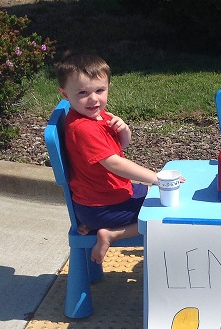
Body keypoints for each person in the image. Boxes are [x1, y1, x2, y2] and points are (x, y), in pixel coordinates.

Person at [55, 53, 161, 264]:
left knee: (156, 196)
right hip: (101, 206)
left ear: (108, 86)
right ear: (65, 94)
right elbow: (114, 163)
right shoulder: (84, 128)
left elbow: (122, 145)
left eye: (100, 90)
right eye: (83, 92)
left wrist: (124, 129)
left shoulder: (94, 115)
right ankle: (112, 234)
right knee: (163, 216)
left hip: (102, 198)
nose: (93, 99)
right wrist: (157, 177)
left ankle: (96, 225)